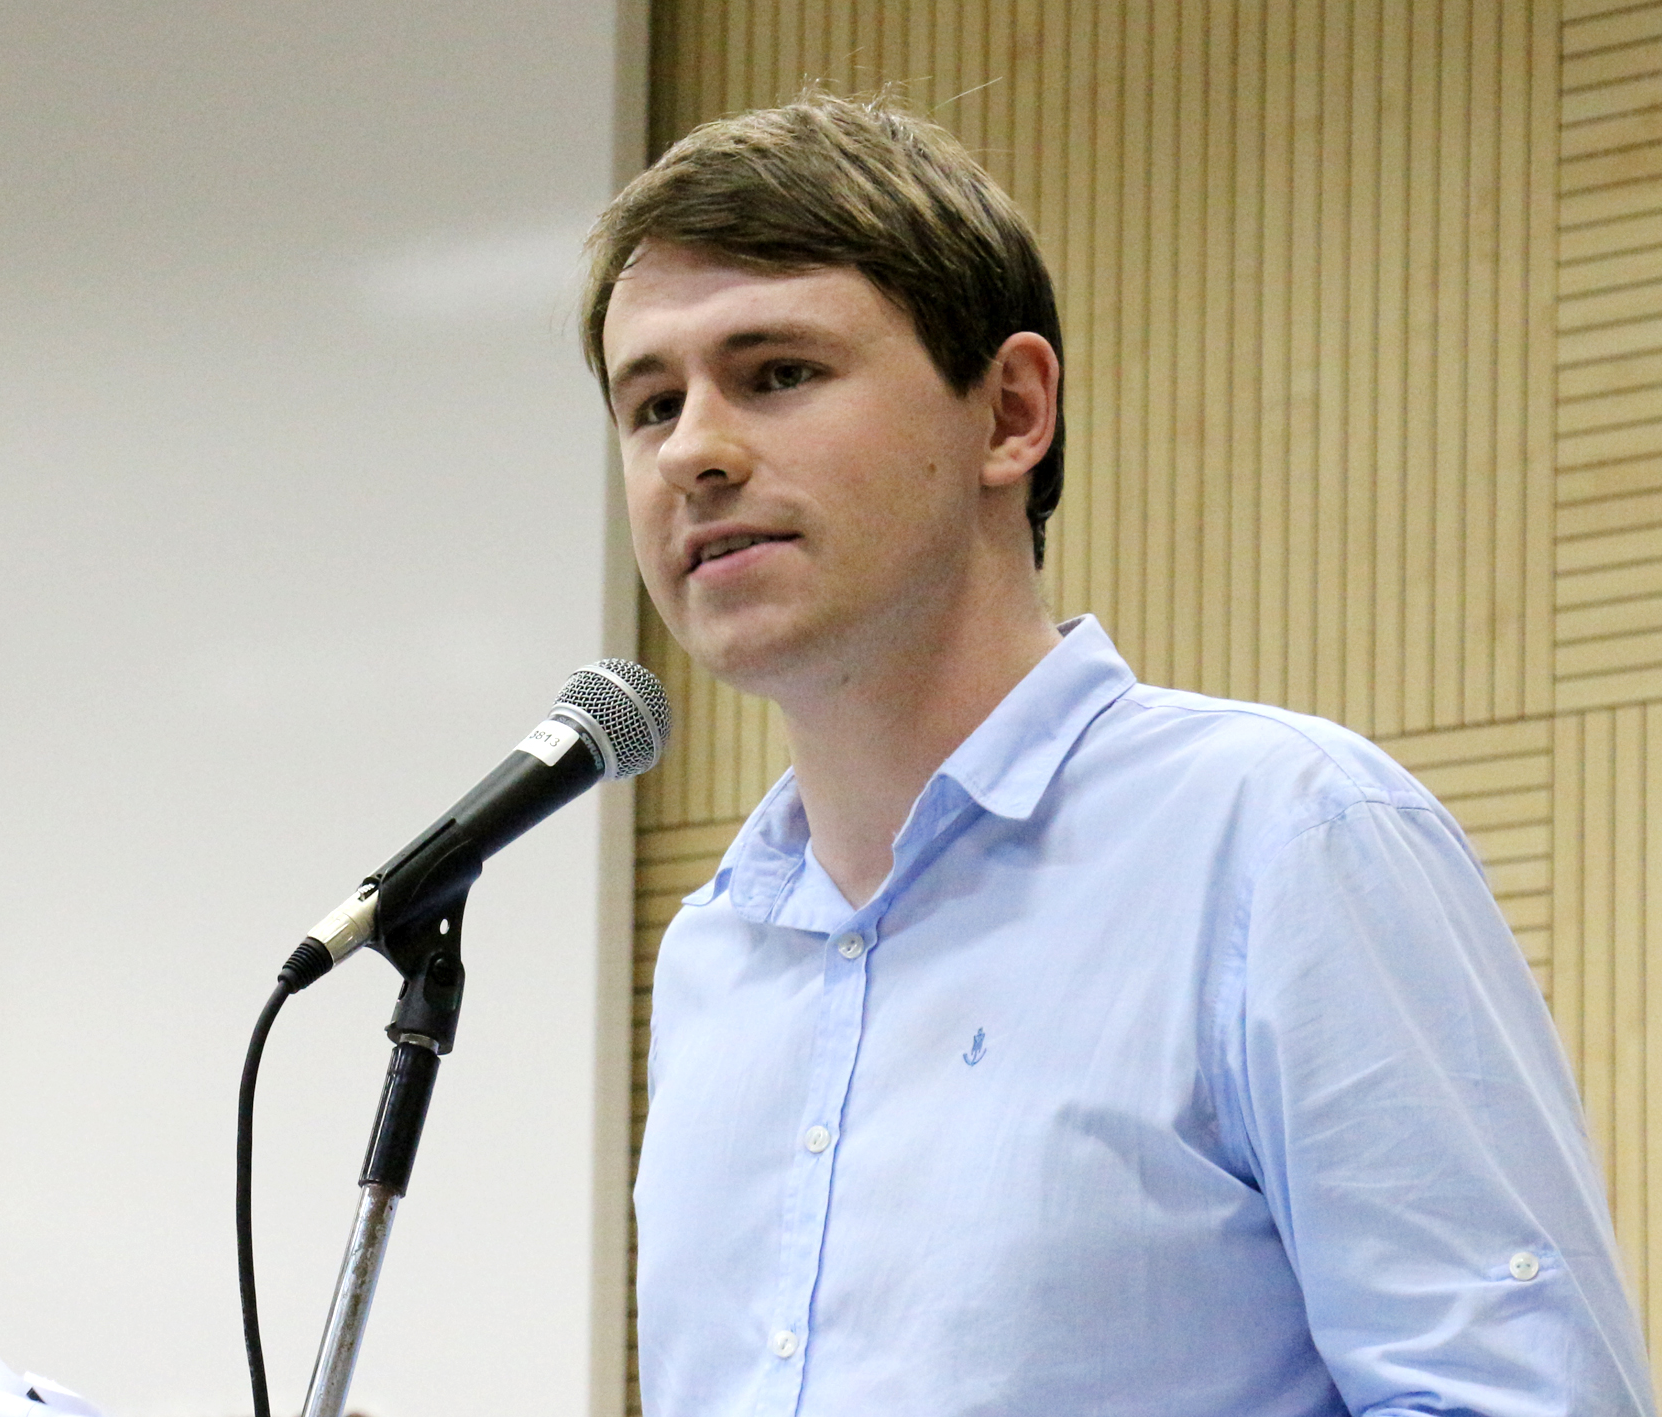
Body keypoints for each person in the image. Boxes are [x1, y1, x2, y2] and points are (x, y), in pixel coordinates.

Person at [588, 92, 1654, 1416]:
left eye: (778, 374)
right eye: (651, 404)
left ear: (1010, 411)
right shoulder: (715, 956)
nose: (693, 451)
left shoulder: (1286, 840)